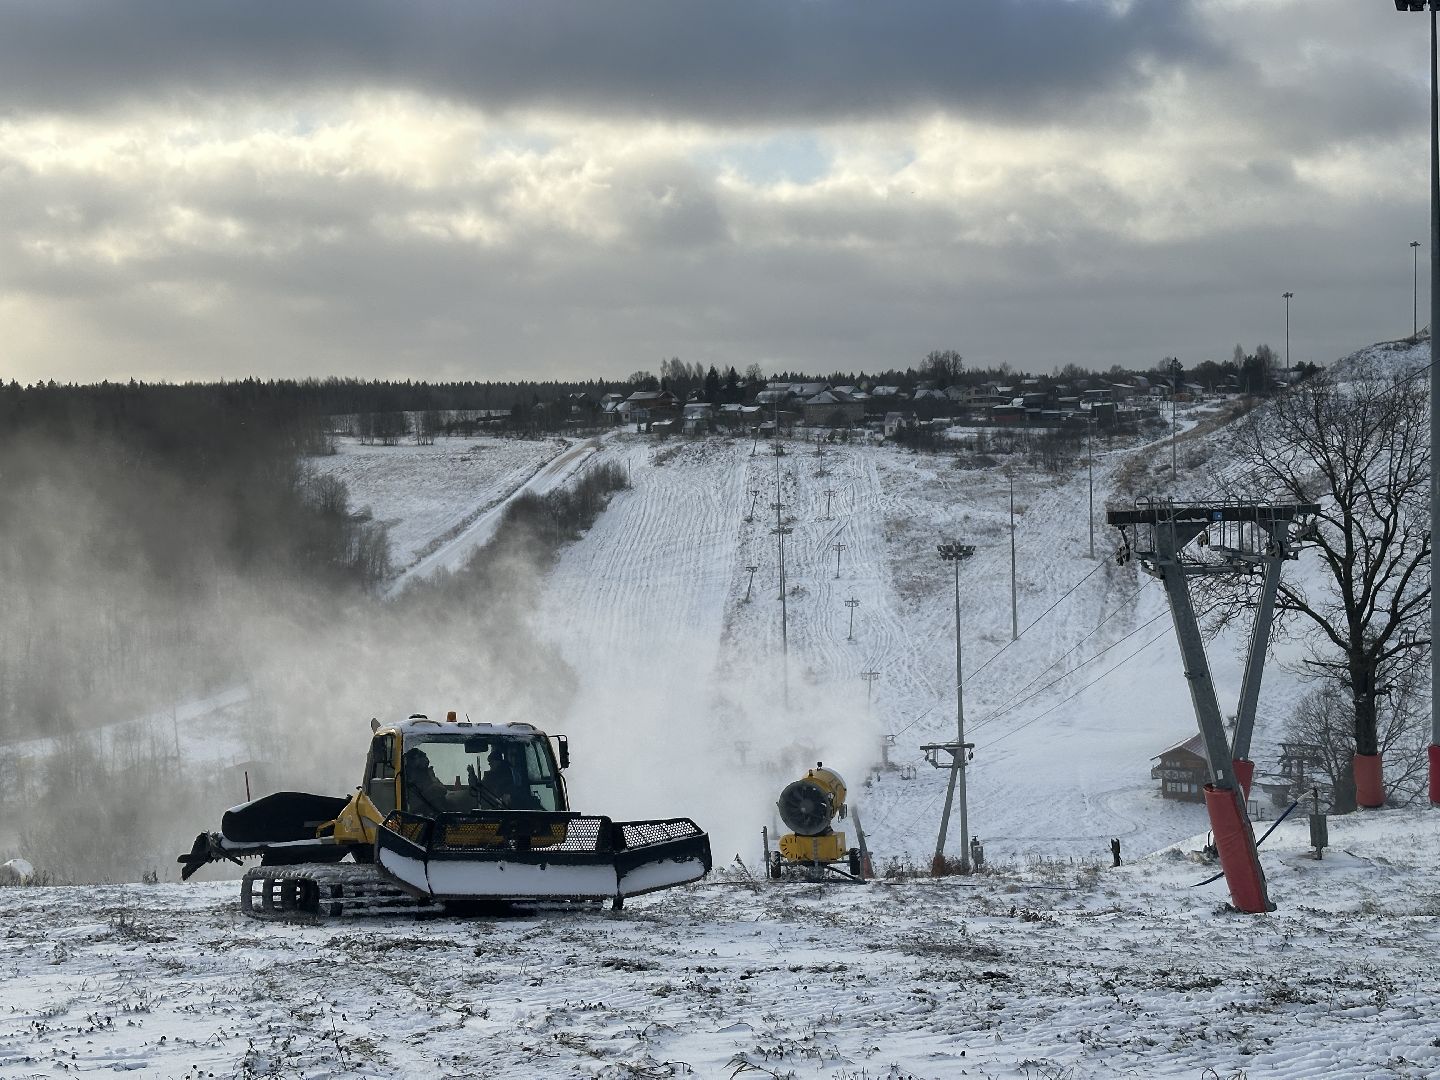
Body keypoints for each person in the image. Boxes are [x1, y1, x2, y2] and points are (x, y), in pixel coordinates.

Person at [403, 747, 448, 817]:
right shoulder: (405, 776)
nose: (425, 760)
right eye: (419, 758)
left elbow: (442, 790)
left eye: (424, 757)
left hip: (436, 813)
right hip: (417, 815)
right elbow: (412, 801)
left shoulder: (428, 773)